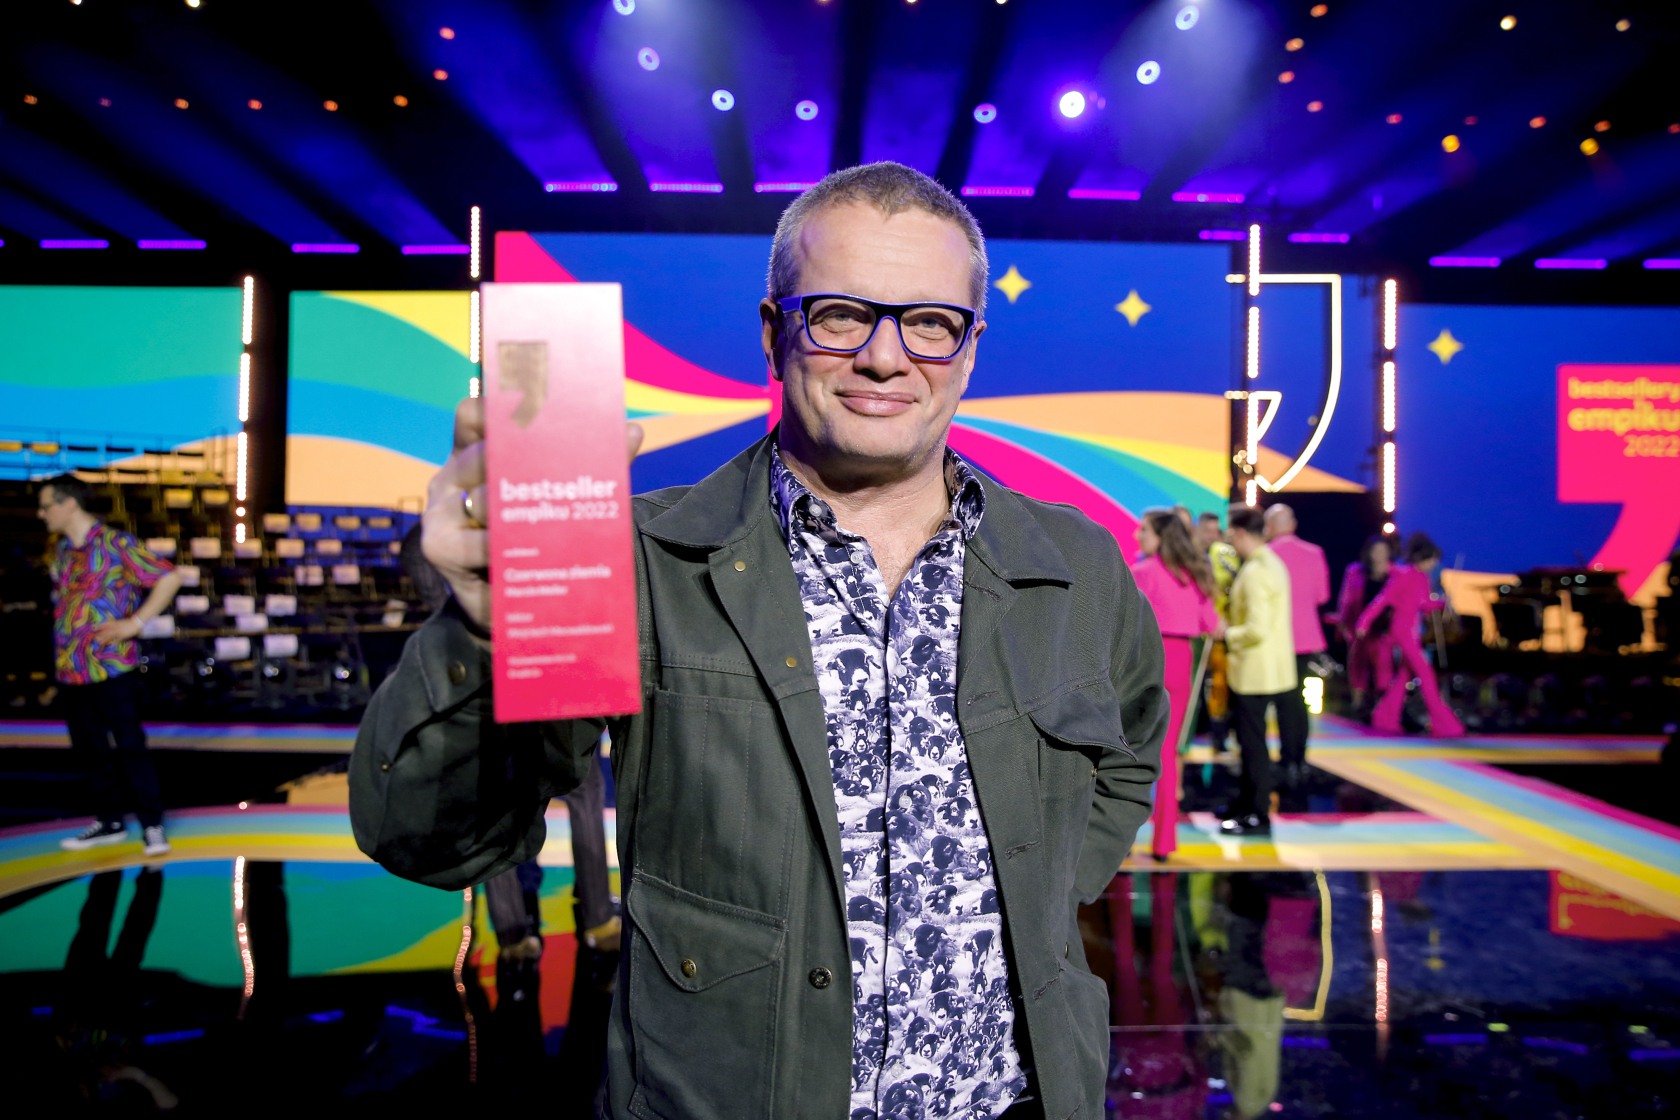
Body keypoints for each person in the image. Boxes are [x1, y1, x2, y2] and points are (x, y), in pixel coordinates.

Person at [350, 162, 1167, 1120]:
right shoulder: (642, 563)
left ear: (970, 347)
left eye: (928, 323)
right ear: (776, 333)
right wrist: (484, 633)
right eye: (841, 316)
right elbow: (430, 839)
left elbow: (1131, 748)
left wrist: (1043, 890)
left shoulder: (1077, 564)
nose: (885, 358)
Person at [40, 475, 182, 856]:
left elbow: (169, 577)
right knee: (90, 748)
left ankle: (152, 825)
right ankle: (109, 821)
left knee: (129, 745)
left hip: (112, 666)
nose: (41, 513)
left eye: (46, 506)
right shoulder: (62, 551)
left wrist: (135, 623)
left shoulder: (116, 544)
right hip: (72, 668)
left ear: (69, 504)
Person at [1131, 509, 1220, 860]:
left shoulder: (1142, 572)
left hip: (1148, 660)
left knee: (1132, 748)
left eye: (1144, 530)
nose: (1138, 534)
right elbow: (1212, 624)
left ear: (1160, 536)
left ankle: (1123, 839)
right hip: (1182, 660)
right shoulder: (1193, 574)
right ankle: (1165, 841)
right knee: (1167, 753)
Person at [1218, 506, 1295, 836]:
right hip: (1265, 668)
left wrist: (1226, 634)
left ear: (1238, 533)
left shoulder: (1256, 570)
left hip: (1254, 671)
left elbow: (1256, 628)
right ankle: (1247, 802)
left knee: (1253, 745)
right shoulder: (1270, 563)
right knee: (1253, 742)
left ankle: (1257, 811)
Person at [1355, 533, 1464, 737]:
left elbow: (1426, 605)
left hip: (1411, 633)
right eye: (1432, 560)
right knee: (1427, 676)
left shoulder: (1421, 577)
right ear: (1423, 557)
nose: (1434, 564)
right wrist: (1364, 621)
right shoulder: (1404, 576)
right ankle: (1443, 724)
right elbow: (1382, 600)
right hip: (1403, 632)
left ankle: (1384, 717)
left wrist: (1443, 603)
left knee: (1404, 677)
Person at [1261, 504, 1329, 789]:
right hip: (1307, 638)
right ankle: (1298, 758)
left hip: (1277, 638)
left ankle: (1287, 759)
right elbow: (1322, 596)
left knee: (1282, 701)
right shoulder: (1314, 552)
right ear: (1293, 524)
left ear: (1270, 526)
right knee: (1300, 701)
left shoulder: (1265, 555)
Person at [1334, 535, 1397, 717]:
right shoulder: (1356, 571)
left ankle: (1382, 705)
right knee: (1357, 664)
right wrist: (1344, 623)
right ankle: (1358, 703)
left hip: (1384, 629)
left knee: (1383, 665)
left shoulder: (1395, 574)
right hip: (1359, 627)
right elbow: (1346, 599)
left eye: (1383, 551)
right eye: (1376, 551)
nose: (1379, 555)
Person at [1195, 511, 1242, 752]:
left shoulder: (1225, 555)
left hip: (1221, 632)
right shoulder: (1190, 556)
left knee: (1220, 685)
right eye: (1208, 531)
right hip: (1196, 632)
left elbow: (1232, 588)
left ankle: (1218, 736)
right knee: (1199, 685)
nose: (1213, 536)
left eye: (1217, 531)